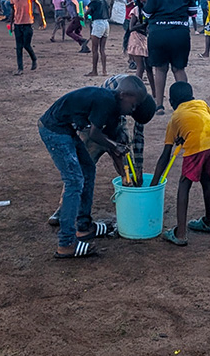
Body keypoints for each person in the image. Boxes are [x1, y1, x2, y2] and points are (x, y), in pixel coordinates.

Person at [39, 76, 149, 258]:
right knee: (74, 181)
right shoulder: (105, 100)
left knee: (88, 168)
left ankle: (84, 226)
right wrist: (115, 145)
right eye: (133, 105)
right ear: (122, 95)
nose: (133, 110)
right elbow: (95, 135)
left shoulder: (116, 111)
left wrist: (124, 173)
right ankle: (66, 243)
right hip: (54, 129)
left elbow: (113, 143)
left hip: (66, 129)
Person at [153, 81, 210, 246]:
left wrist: (153, 184)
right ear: (192, 96)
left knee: (184, 183)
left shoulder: (175, 118)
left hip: (198, 144)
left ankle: (180, 233)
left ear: (171, 102)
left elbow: (165, 155)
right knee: (206, 179)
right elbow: (207, 122)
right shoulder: (202, 103)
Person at [143, 0, 198, 114]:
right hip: (180, 34)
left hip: (158, 33)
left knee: (160, 69)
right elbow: (193, 11)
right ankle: (186, 104)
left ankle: (159, 105)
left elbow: (147, 14)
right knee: (179, 69)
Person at [8, 0, 46, 75]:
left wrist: (42, 19)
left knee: (26, 44)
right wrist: (11, 24)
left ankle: (34, 59)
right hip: (17, 24)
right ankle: (20, 68)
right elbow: (13, 11)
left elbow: (38, 4)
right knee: (18, 46)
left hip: (28, 23)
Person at [126, 0, 156, 89]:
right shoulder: (136, 10)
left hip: (146, 39)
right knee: (140, 67)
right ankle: (136, 90)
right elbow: (131, 27)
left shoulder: (151, 9)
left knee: (149, 67)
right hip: (136, 39)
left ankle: (155, 92)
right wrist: (143, 25)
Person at [84, 0, 111, 77]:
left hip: (98, 23)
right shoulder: (105, 2)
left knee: (94, 49)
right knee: (102, 49)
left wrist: (85, 17)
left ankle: (94, 71)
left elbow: (87, 13)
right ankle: (104, 70)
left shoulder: (94, 2)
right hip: (106, 23)